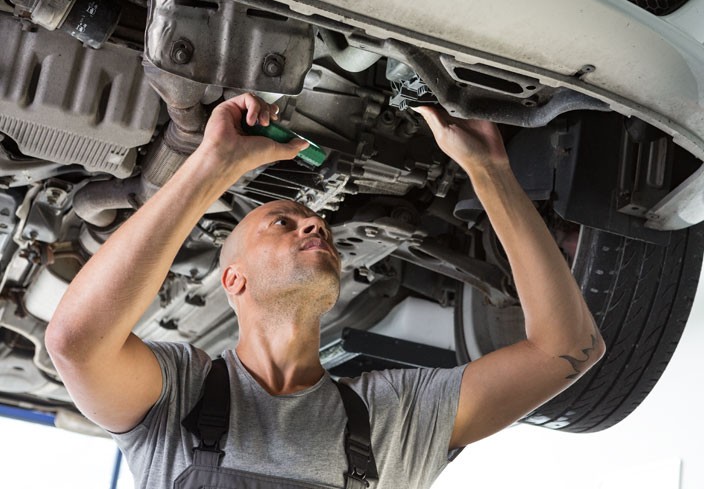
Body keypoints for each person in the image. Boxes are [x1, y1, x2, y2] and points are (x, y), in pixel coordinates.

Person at [46, 93, 605, 488]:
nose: (315, 225)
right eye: (283, 223)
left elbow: (566, 349)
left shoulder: (397, 416)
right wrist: (211, 164)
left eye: (317, 228)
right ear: (231, 279)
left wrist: (491, 172)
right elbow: (75, 342)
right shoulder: (181, 397)